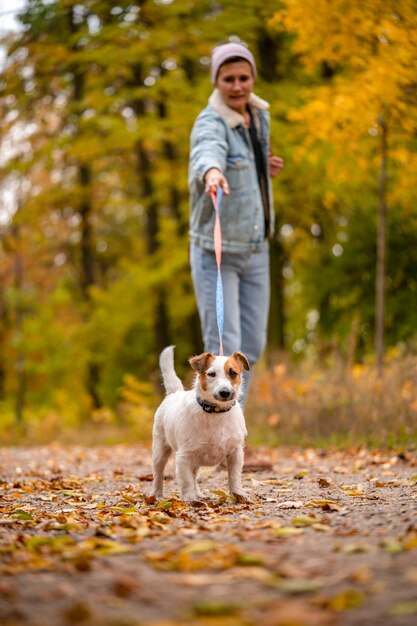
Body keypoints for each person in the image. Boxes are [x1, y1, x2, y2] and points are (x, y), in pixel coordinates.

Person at [189, 41, 283, 404]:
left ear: (253, 78)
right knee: (222, 349)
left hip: (256, 248)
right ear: (216, 81)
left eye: (244, 77)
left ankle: (230, 434)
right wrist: (211, 172)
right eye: (228, 78)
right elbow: (207, 150)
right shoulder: (210, 121)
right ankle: (219, 436)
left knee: (251, 349)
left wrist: (264, 167)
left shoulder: (258, 116)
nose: (237, 85)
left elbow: (245, 163)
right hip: (219, 252)